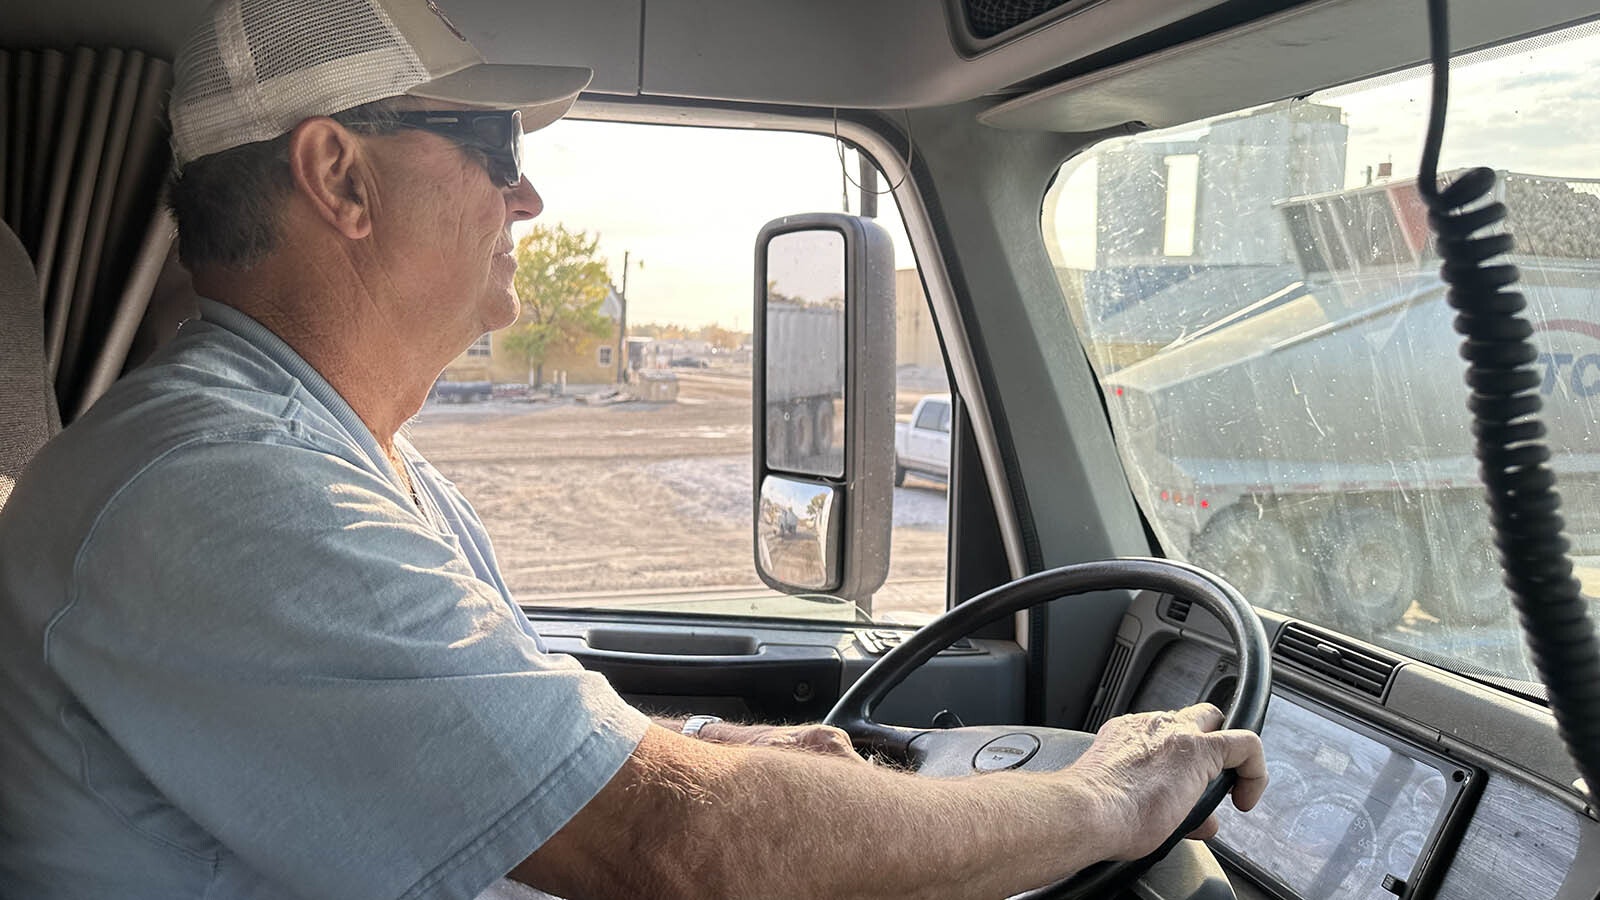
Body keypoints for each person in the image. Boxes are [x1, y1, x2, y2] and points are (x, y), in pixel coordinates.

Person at [0, 0, 1268, 897]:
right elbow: (676, 852)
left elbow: (521, 735)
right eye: (493, 145)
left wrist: (719, 747)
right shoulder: (219, 492)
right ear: (339, 177)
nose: (527, 197)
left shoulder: (344, 461)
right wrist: (1106, 803)